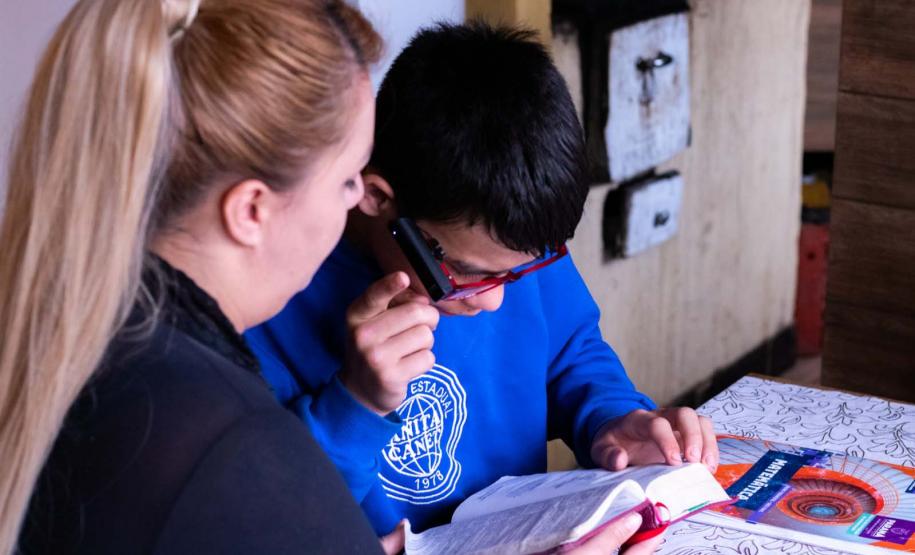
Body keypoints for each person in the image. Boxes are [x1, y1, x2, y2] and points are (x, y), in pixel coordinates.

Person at [246, 20, 719, 539]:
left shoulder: (506, 238)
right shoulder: (271, 300)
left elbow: (570, 351)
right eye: (468, 275)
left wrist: (613, 420)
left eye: (520, 272)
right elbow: (271, 520)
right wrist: (355, 404)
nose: (495, 300)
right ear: (378, 198)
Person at [0, 0, 391, 553]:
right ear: (251, 211)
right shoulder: (232, 445)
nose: (354, 204)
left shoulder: (63, 339)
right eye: (348, 180)